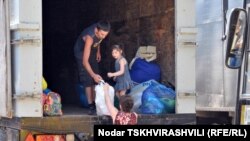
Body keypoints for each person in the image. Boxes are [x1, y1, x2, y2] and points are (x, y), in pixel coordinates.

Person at [74, 21, 111, 115]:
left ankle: (96, 103)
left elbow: (99, 40)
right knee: (88, 79)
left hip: (92, 49)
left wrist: (98, 51)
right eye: (102, 34)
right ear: (96, 31)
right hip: (81, 52)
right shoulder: (89, 38)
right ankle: (91, 106)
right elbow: (85, 62)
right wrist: (93, 75)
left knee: (96, 77)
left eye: (105, 35)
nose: (103, 36)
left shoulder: (101, 30)